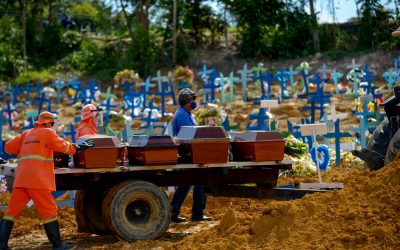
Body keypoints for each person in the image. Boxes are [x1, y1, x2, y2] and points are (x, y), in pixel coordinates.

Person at [0, 111, 94, 250]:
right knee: (49, 211)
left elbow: (8, 147)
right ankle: (57, 245)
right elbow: (64, 147)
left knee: (11, 212)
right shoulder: (48, 133)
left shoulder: (26, 134)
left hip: (21, 179)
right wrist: (79, 147)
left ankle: (2, 244)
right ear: (49, 123)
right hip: (37, 180)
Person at [170, 88, 213, 223]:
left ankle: (174, 212)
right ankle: (197, 213)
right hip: (189, 154)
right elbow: (191, 134)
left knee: (186, 184)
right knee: (199, 181)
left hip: (192, 153)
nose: (195, 103)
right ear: (188, 102)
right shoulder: (182, 115)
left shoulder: (187, 114)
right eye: (193, 100)